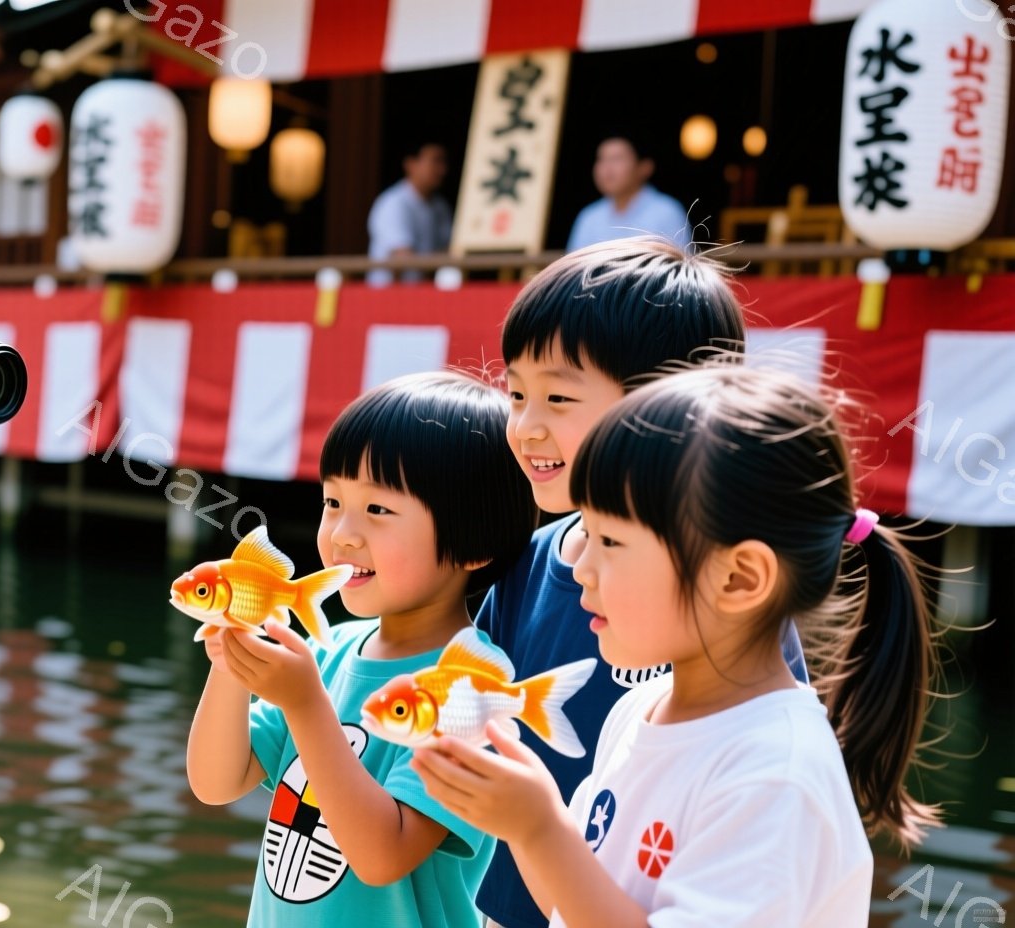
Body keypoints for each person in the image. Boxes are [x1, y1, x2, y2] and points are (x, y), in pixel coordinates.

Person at [413, 365, 940, 925]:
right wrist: (527, 822)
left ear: (739, 578)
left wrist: (541, 826)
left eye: (611, 540)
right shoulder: (639, 708)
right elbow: (574, 906)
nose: (581, 568)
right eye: (584, 531)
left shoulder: (774, 776)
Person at [443, 237, 809, 928]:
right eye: (515, 394)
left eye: (556, 397)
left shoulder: (723, 594)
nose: (525, 427)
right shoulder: (527, 563)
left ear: (665, 411)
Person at [186, 371, 540, 927]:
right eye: (333, 502)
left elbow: (381, 855)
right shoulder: (330, 652)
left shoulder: (465, 694)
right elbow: (215, 782)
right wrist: (231, 665)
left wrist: (305, 705)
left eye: (378, 510)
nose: (343, 535)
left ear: (474, 542)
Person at [566, 136, 690, 251]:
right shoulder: (589, 217)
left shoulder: (667, 212)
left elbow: (679, 270)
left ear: (644, 167)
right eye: (601, 159)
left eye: (617, 159)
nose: (606, 168)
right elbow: (573, 271)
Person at [368, 140, 454, 285]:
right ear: (411, 164)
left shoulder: (440, 206)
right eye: (435, 161)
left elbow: (450, 251)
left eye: (443, 162)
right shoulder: (394, 203)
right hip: (389, 296)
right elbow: (402, 257)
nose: (442, 170)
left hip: (425, 293)